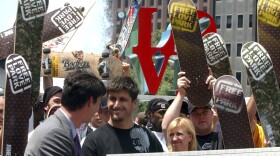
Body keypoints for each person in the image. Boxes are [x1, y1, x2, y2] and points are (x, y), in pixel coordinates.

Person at [25, 70, 106, 156]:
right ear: (90, 101)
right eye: (99, 103)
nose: (98, 109)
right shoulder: (56, 134)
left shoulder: (64, 128)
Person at [82, 76, 163, 155]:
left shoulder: (148, 137)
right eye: (112, 99)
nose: (116, 105)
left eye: (122, 99)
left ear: (134, 103)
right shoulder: (93, 141)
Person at [162, 71, 223, 150]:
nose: (201, 116)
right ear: (189, 118)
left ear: (212, 113)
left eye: (205, 112)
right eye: (196, 114)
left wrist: (217, 92)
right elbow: (167, 127)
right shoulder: (184, 140)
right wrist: (181, 93)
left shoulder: (224, 138)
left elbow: (235, 124)